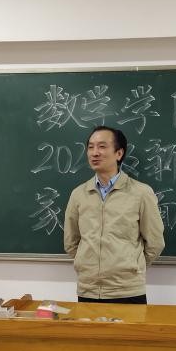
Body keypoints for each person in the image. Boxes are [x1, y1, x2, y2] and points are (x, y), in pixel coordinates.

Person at [63, 125, 165, 304]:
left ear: (119, 153)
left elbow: (155, 243)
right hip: (88, 290)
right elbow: (71, 242)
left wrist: (132, 266)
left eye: (102, 146)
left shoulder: (141, 193)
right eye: (91, 147)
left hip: (128, 291)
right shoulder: (79, 194)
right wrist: (86, 263)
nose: (95, 153)